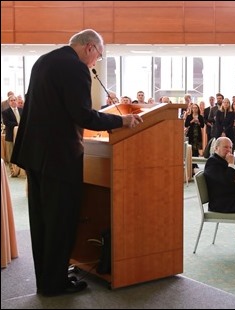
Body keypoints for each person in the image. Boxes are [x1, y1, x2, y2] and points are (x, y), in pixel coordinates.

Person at [10, 29, 143, 297]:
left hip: (36, 155)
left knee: (43, 221)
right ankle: (55, 284)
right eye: (99, 57)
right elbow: (84, 116)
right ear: (90, 48)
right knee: (61, 221)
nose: (95, 63)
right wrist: (122, 121)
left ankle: (48, 277)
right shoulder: (75, 68)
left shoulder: (45, 60)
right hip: (59, 158)